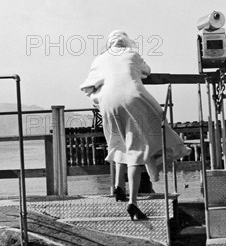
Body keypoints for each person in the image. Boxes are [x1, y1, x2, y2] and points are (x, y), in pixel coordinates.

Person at [80, 30, 191, 221]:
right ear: (125, 43)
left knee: (118, 140)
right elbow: (146, 71)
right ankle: (133, 202)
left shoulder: (99, 60)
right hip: (134, 99)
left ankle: (118, 186)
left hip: (108, 102)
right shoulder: (132, 55)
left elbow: (87, 85)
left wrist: (99, 95)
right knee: (138, 148)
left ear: (109, 44)